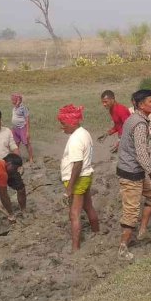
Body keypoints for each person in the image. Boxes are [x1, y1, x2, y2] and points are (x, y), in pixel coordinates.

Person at [116, 89, 151, 261]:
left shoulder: (134, 119)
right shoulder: (139, 124)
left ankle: (143, 231)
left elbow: (125, 140)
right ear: (141, 105)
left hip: (135, 170)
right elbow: (141, 153)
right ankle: (123, 248)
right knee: (131, 211)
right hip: (131, 173)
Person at [58, 104, 100, 251]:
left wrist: (69, 189)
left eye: (63, 124)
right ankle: (96, 232)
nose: (62, 127)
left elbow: (77, 164)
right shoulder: (84, 133)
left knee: (74, 214)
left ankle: (75, 247)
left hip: (78, 179)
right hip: (86, 175)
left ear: (71, 123)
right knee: (88, 206)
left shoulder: (75, 140)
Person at [10, 93, 34, 163]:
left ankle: (31, 158)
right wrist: (12, 129)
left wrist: (27, 131)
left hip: (22, 128)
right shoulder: (14, 108)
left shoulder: (23, 108)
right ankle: (17, 158)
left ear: (18, 100)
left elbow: (27, 119)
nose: (12, 101)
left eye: (13, 100)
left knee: (27, 143)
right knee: (16, 144)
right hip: (15, 128)